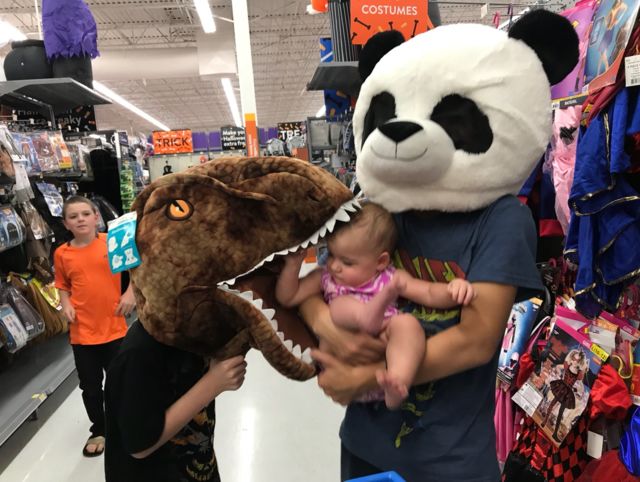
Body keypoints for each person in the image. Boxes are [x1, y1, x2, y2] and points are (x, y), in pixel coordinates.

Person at [276, 202, 475, 409]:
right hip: (343, 367)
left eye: (347, 262)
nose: (334, 265)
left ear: (380, 262)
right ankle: (365, 315)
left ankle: (398, 382)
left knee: (407, 324)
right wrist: (292, 266)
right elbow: (288, 297)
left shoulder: (392, 277)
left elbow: (428, 293)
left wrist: (454, 290)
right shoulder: (326, 277)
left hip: (377, 373)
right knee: (340, 307)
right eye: (332, 254)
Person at [103, 320, 246, 482]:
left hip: (198, 465)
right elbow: (139, 445)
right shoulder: (138, 353)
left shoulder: (192, 333)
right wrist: (212, 384)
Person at [54, 196, 136, 457]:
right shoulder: (62, 253)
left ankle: (123, 425)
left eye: (85, 214)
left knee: (120, 381)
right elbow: (62, 284)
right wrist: (65, 303)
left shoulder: (113, 242)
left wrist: (131, 293)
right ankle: (99, 428)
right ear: (66, 223)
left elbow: (135, 271)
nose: (80, 219)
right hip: (82, 332)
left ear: (96, 217)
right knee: (90, 386)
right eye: (73, 216)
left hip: (114, 328)